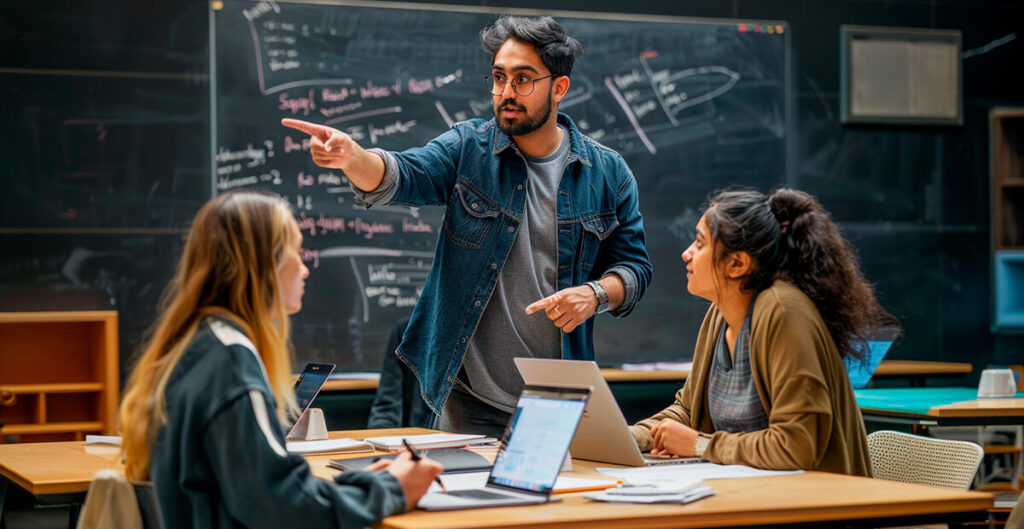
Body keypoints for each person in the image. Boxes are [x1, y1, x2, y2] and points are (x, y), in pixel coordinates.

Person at [283, 16, 652, 438]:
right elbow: (403, 174)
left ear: (560, 87)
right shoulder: (469, 148)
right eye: (499, 78)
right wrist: (353, 158)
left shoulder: (607, 173)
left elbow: (635, 270)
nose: (507, 93)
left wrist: (595, 293)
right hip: (472, 398)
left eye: (523, 79)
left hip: (559, 399)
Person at [117, 191, 442, 528]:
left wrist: (366, 484)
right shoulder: (232, 365)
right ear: (263, 263)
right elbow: (284, 507)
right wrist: (392, 490)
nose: (304, 269)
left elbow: (269, 488)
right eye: (297, 253)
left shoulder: (197, 346)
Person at [629, 188, 895, 476]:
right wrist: (627, 437)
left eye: (700, 243)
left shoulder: (783, 310)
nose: (686, 253)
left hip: (818, 508)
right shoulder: (719, 315)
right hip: (754, 497)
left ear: (737, 264)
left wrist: (699, 445)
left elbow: (796, 445)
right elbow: (688, 413)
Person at [367, 316, 433, 428]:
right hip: (416, 437)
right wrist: (380, 440)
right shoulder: (407, 330)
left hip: (461, 438)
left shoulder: (468, 337)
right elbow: (387, 407)